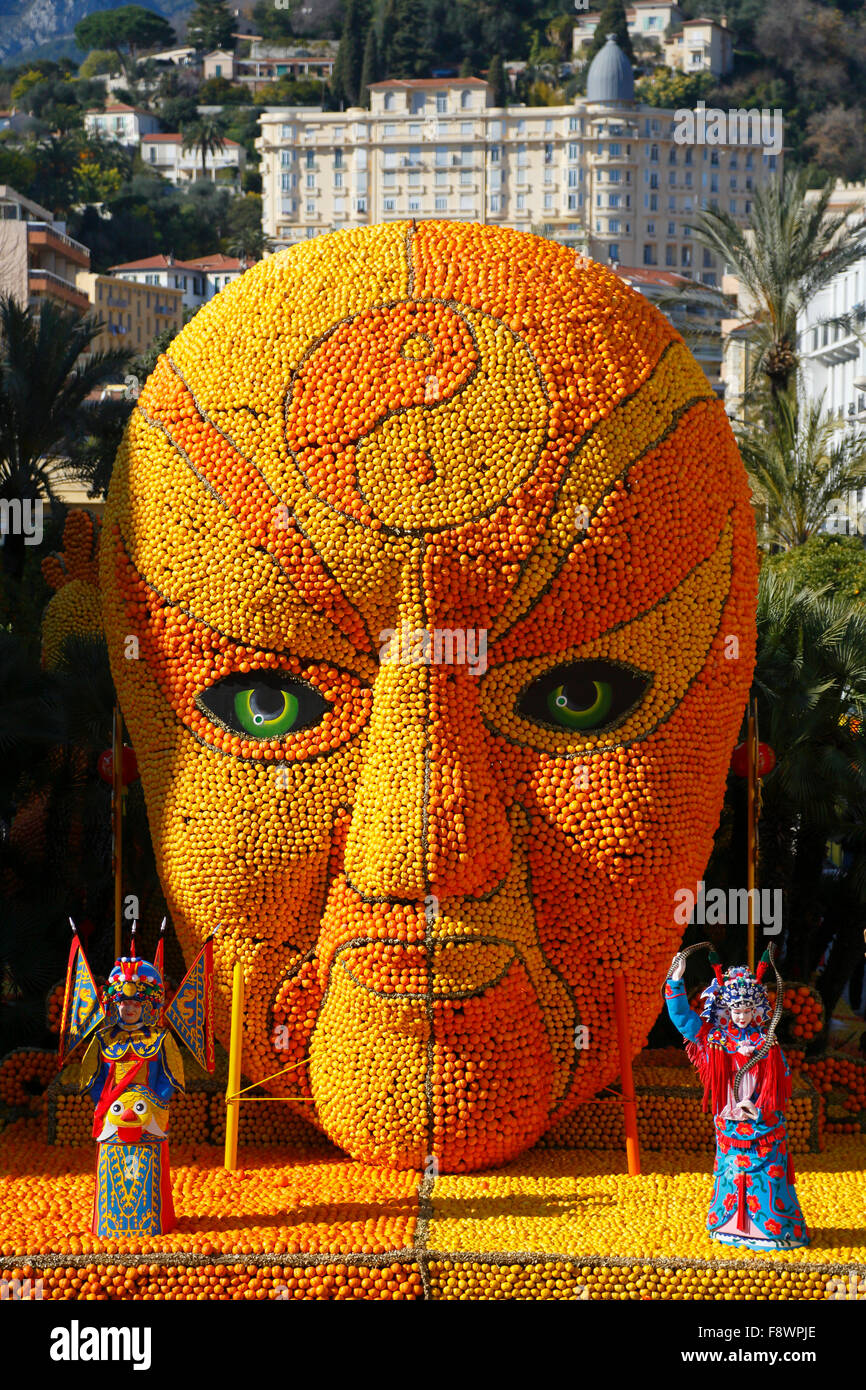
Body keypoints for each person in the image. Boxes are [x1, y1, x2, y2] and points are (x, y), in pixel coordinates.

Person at [664, 950, 809, 1251]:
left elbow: (780, 1083)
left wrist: (759, 1108)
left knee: (767, 1174)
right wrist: (675, 982)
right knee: (730, 1174)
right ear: (726, 1009)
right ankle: (729, 1226)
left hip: (761, 1122)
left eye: (746, 1011)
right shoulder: (715, 1039)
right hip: (728, 1121)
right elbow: (683, 1020)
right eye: (735, 1011)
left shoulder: (767, 1043)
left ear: (757, 1010)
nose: (741, 1017)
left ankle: (772, 1229)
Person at [79, 945, 184, 1237]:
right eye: (124, 1004)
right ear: (115, 1006)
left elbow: (168, 1079)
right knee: (114, 1170)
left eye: (136, 1004)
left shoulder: (160, 1039)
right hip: (113, 1117)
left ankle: (151, 1223)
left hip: (149, 1117)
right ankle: (110, 1223)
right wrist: (107, 1105)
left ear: (146, 1007)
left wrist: (155, 1102)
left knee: (147, 1170)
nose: (129, 1009)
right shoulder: (103, 1039)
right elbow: (94, 1079)